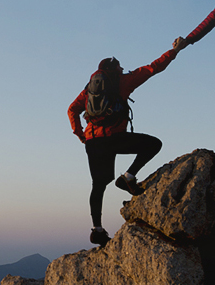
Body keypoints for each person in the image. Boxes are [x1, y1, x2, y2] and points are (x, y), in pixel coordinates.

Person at [67, 44, 183, 247]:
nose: (122, 69)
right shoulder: (122, 81)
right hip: (114, 138)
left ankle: (97, 230)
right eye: (120, 67)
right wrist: (174, 51)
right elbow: (153, 68)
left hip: (93, 142)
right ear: (115, 69)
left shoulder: (88, 90)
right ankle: (127, 177)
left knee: (98, 185)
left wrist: (81, 135)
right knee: (153, 144)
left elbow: (72, 110)